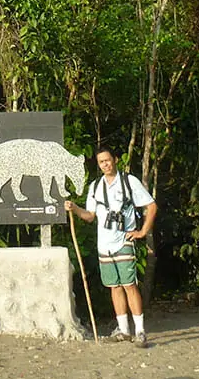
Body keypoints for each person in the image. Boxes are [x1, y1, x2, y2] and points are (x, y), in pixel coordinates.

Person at [65, 146, 157, 348]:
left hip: (124, 240)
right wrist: (75, 208)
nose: (105, 164)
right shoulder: (95, 186)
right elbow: (90, 216)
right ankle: (124, 330)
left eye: (108, 160)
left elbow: (151, 206)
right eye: (101, 162)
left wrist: (142, 231)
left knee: (129, 285)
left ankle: (140, 331)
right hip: (104, 244)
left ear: (115, 160)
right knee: (114, 287)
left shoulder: (129, 181)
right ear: (98, 165)